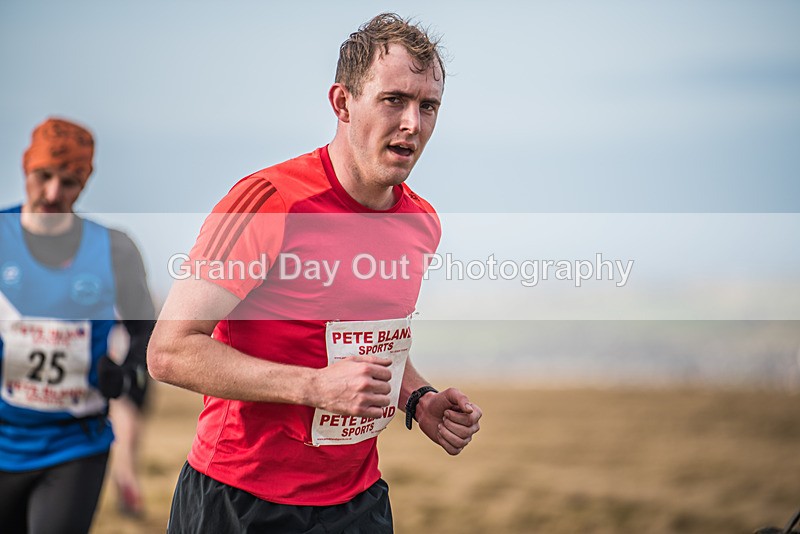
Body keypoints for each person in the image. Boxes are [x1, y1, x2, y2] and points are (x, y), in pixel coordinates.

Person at [147, 12, 482, 533]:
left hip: (359, 502)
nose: (413, 124)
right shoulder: (268, 201)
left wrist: (418, 400)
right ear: (343, 103)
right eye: (394, 100)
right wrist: (314, 387)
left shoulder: (421, 222)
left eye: (428, 106)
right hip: (239, 499)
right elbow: (169, 351)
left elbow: (371, 342)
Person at [0, 117, 155, 533]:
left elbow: (146, 332)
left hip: (74, 444)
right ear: (25, 167)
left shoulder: (115, 248)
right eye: (43, 176)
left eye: (69, 182)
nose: (53, 193)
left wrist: (125, 373)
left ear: (85, 182)